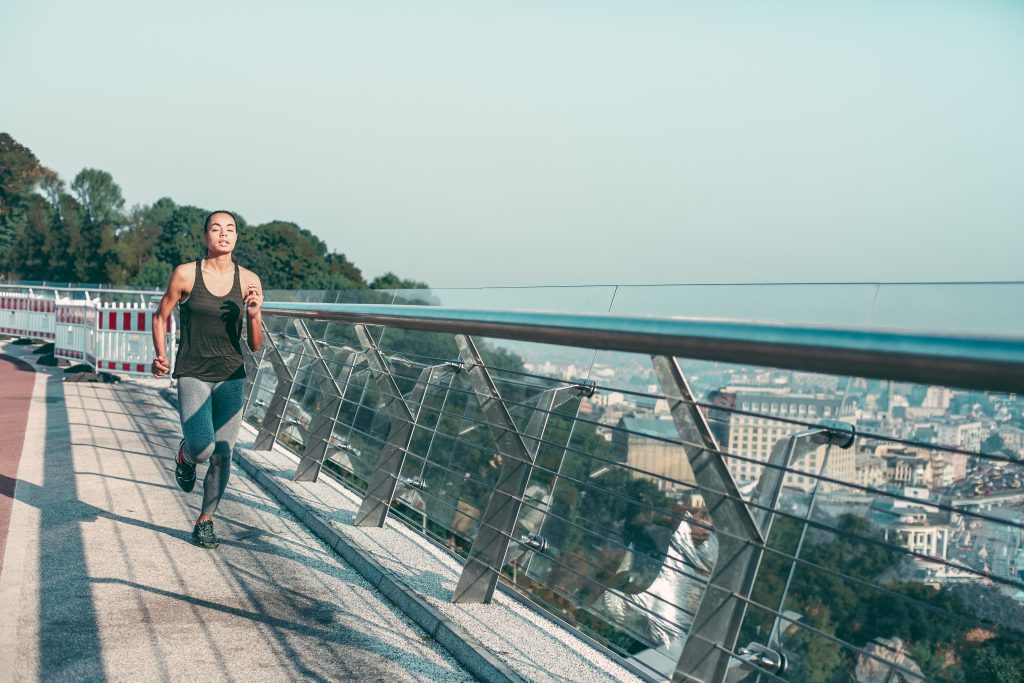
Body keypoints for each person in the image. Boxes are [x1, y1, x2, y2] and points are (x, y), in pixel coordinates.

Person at [151, 210, 264, 548]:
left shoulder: (248, 280)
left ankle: (205, 521)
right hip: (193, 371)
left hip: (231, 374)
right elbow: (161, 316)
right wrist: (160, 354)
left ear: (236, 237)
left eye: (230, 229)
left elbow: (255, 346)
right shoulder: (186, 274)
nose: (223, 234)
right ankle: (186, 456)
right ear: (205, 237)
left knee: (224, 453)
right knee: (203, 448)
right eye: (216, 228)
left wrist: (255, 314)